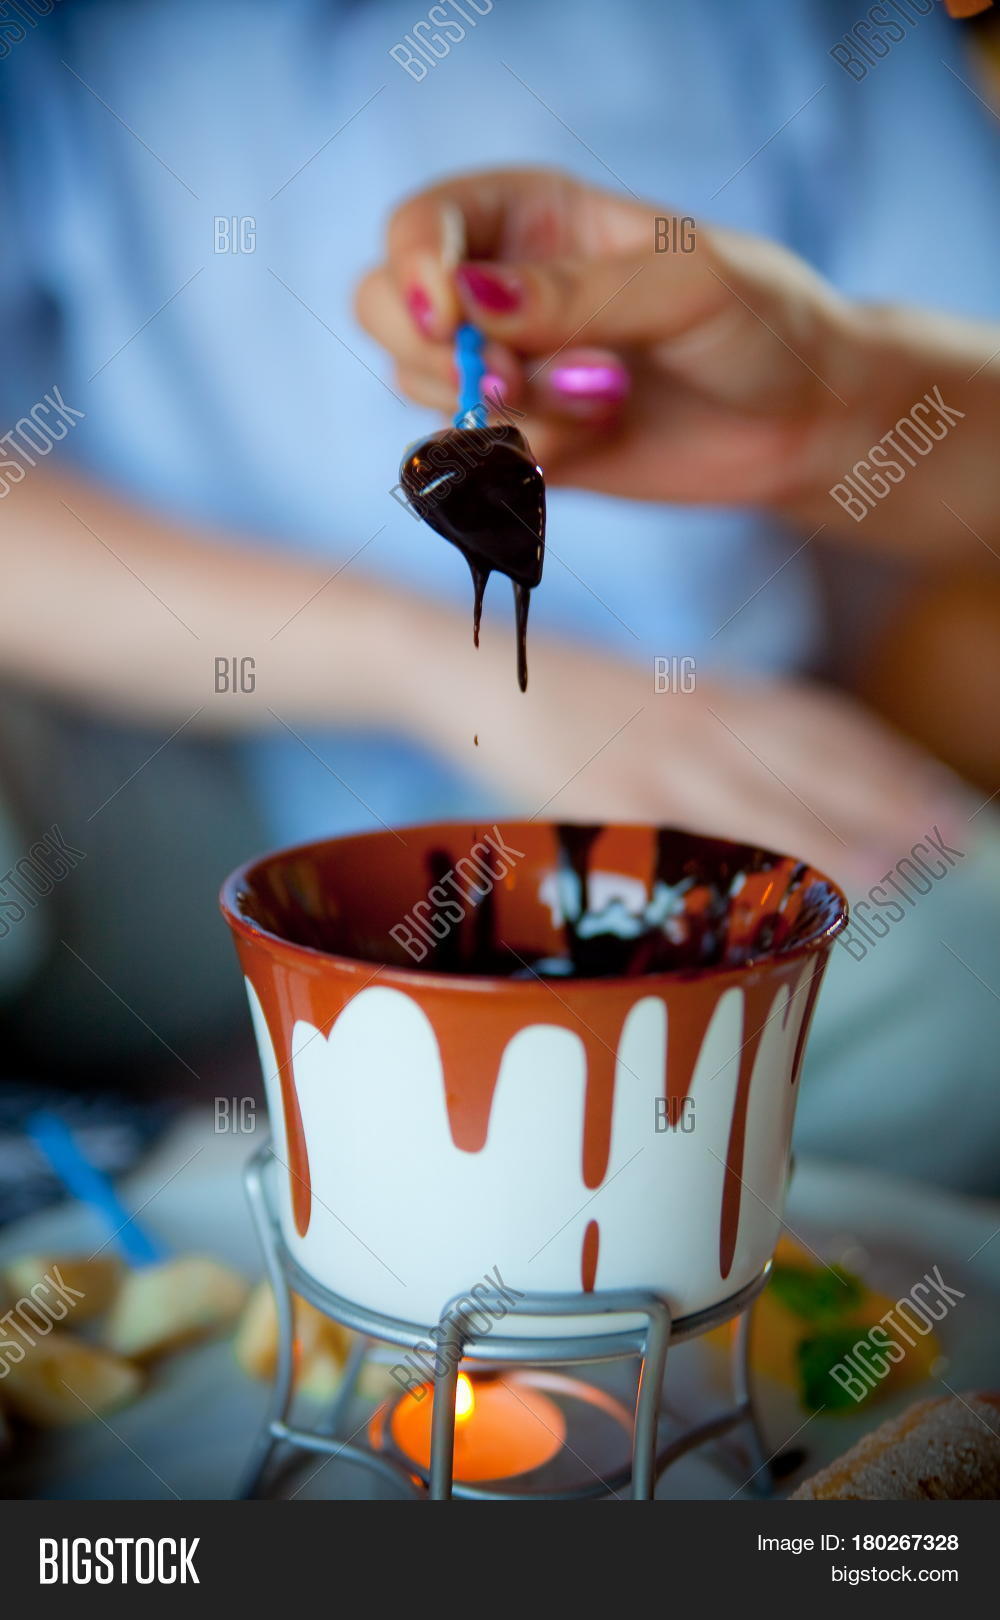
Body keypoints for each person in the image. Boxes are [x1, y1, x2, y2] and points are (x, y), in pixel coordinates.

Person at [1, 0, 997, 1187]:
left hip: (684, 760)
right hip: (185, 765)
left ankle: (349, 1164)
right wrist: (434, 667)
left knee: (961, 985)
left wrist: (825, 406)